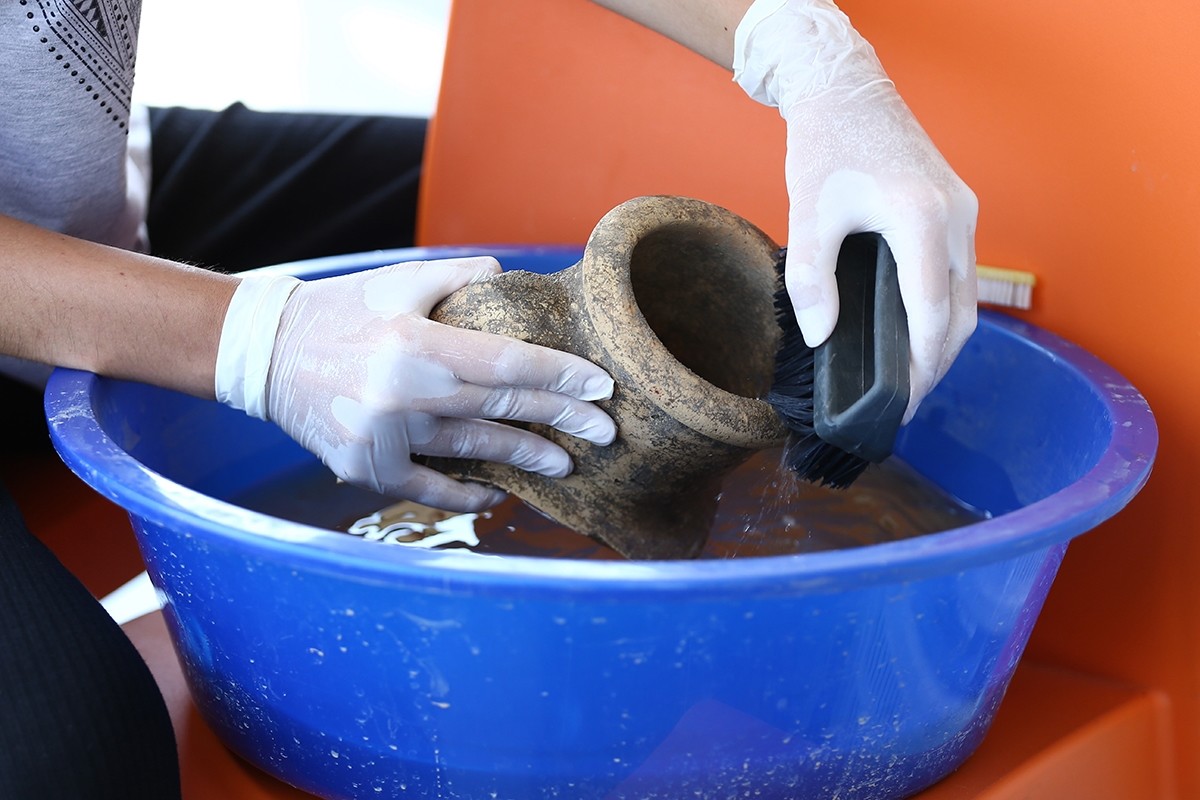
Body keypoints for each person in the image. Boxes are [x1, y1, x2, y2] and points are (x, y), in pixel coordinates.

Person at [0, 0, 977, 795]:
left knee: (500, 180)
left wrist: (802, 53)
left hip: (71, 202)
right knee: (71, 757)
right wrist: (258, 340)